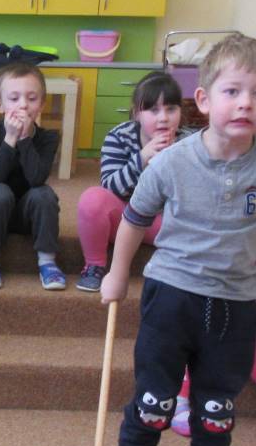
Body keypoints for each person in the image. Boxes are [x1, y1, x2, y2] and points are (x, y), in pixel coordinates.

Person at [97, 33, 256, 446]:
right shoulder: (172, 161)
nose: (245, 103)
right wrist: (117, 273)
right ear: (204, 99)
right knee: (155, 399)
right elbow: (134, 218)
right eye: (232, 91)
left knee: (216, 404)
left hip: (235, 302)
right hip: (172, 295)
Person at [172, 211, 256, 440]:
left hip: (242, 321)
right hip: (204, 317)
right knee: (185, 337)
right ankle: (180, 400)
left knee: (251, 337)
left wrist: (236, 314)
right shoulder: (209, 248)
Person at [75, 71, 181, 293]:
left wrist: (172, 161)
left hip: (168, 224)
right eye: (153, 110)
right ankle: (94, 265)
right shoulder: (119, 136)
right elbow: (110, 186)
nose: (163, 118)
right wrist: (142, 158)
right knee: (92, 199)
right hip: (126, 220)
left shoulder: (189, 143)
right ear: (137, 114)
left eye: (171, 109)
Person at [0, 61, 68, 290]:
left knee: (44, 194)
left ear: (41, 104)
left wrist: (23, 138)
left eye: (31, 98)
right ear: (0, 105)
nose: (23, 105)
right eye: (14, 98)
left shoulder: (48, 138)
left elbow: (36, 179)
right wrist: (10, 138)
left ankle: (48, 262)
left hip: (27, 215)